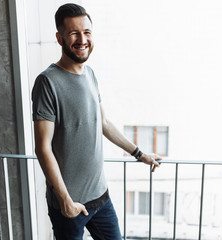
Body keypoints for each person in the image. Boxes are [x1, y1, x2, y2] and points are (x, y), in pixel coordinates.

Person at [32, 3, 161, 240]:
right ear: (59, 38)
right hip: (69, 206)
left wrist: (139, 153)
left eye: (87, 32)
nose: (82, 39)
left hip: (101, 198)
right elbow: (43, 148)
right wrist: (65, 201)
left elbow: (104, 123)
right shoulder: (47, 82)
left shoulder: (90, 74)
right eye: (74, 33)